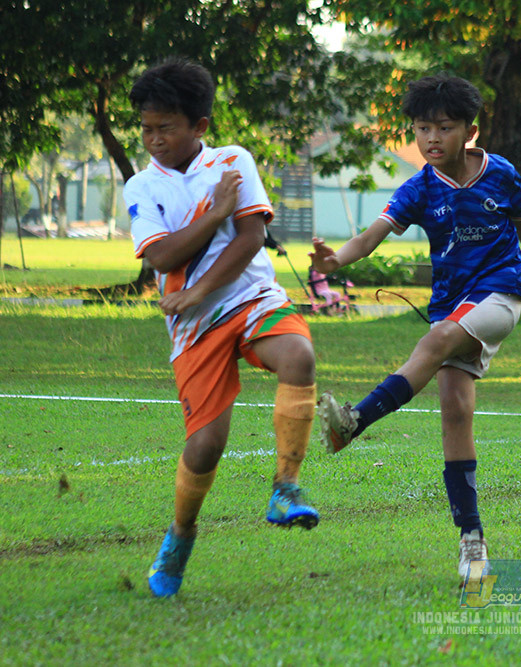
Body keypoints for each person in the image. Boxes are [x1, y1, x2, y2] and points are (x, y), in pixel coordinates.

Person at [310, 73, 521, 579]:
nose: (431, 139)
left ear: (470, 131)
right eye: (421, 129)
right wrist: (337, 261)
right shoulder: (418, 187)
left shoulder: (500, 174)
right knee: (456, 412)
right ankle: (473, 543)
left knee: (436, 340)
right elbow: (371, 236)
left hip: (501, 297)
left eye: (443, 127)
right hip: (450, 306)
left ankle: (355, 420)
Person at [124, 58, 320, 598]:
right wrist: (213, 216)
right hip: (192, 324)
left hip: (251, 296)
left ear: (199, 127)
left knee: (299, 355)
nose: (154, 139)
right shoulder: (140, 186)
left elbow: (252, 237)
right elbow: (162, 258)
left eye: (166, 127)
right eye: (146, 128)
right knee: (206, 446)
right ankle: (180, 535)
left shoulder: (234, 161)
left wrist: (203, 286)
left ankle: (285, 488)